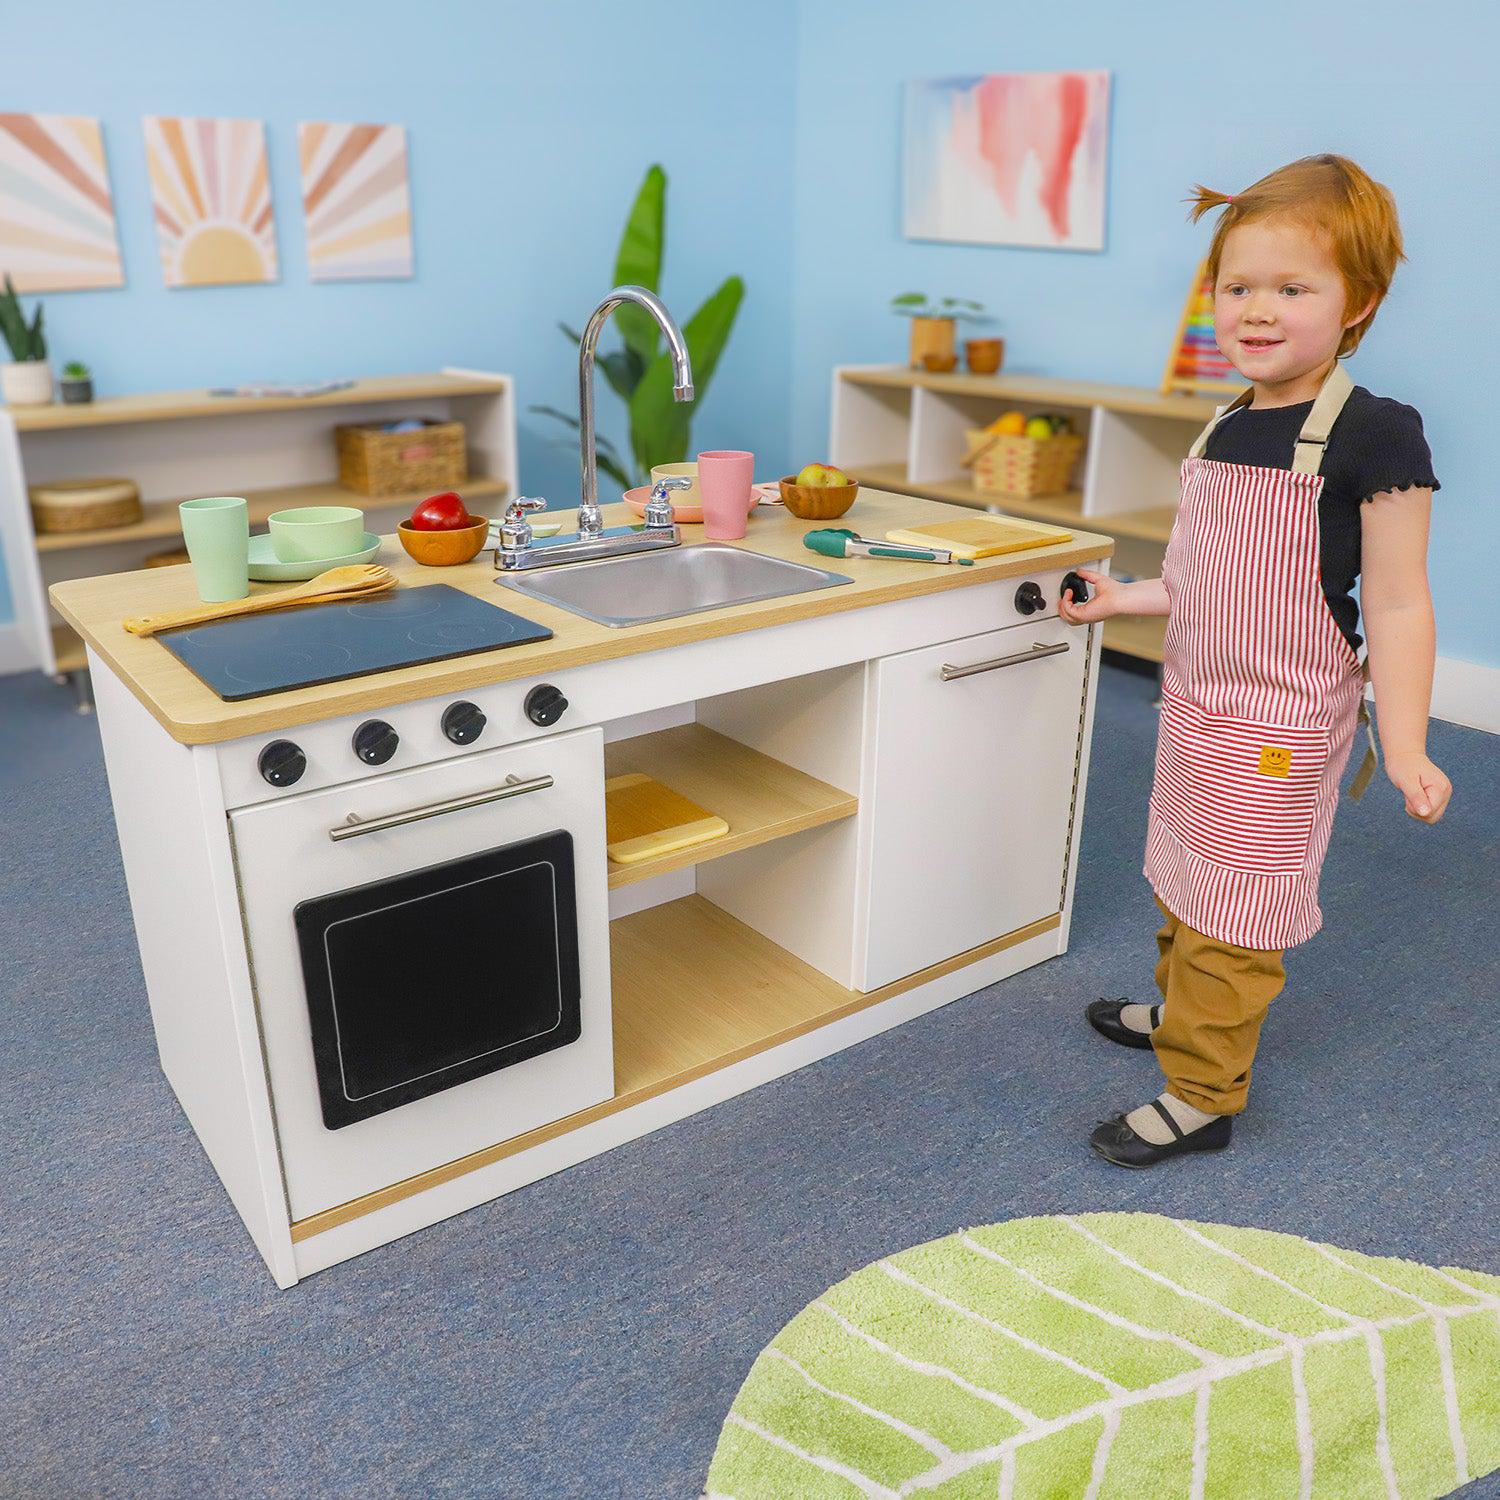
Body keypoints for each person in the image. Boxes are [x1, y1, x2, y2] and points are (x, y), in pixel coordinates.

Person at [1060, 153, 1451, 1168]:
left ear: (1355, 302)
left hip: (1279, 724)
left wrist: (1405, 744)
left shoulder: (1375, 435)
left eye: (1292, 287)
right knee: (1185, 872)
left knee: (1239, 903)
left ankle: (1201, 1089)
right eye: (1238, 286)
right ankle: (1181, 1008)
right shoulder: (1228, 423)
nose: (1256, 310)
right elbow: (1201, 580)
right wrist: (1123, 597)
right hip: (1197, 707)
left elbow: (1400, 603)